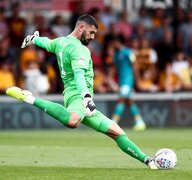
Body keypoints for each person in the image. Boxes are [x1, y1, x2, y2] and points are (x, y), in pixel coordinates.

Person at [6, 14, 157, 169]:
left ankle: (149, 161)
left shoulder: (61, 42)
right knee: (72, 121)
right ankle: (30, 98)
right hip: (78, 95)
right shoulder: (80, 50)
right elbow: (79, 75)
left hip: (78, 97)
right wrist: (86, 97)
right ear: (81, 28)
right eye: (91, 32)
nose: (92, 37)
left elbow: (47, 43)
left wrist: (33, 39)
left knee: (117, 132)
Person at [110, 35, 146, 131]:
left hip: (128, 80)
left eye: (113, 44)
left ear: (117, 42)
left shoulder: (128, 52)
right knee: (129, 101)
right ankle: (140, 122)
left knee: (121, 100)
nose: (112, 46)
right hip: (122, 81)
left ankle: (113, 123)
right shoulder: (116, 55)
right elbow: (114, 69)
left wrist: (137, 81)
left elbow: (135, 67)